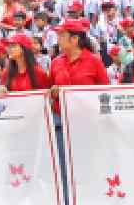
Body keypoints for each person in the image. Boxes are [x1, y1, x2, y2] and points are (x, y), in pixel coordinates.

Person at [49, 20, 109, 205]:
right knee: (63, 167)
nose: (58, 39)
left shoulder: (94, 61)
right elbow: (49, 91)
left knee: (88, 165)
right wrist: (52, 93)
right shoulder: (55, 62)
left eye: (61, 35)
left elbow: (105, 93)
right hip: (61, 122)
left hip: (87, 123)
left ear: (74, 39)